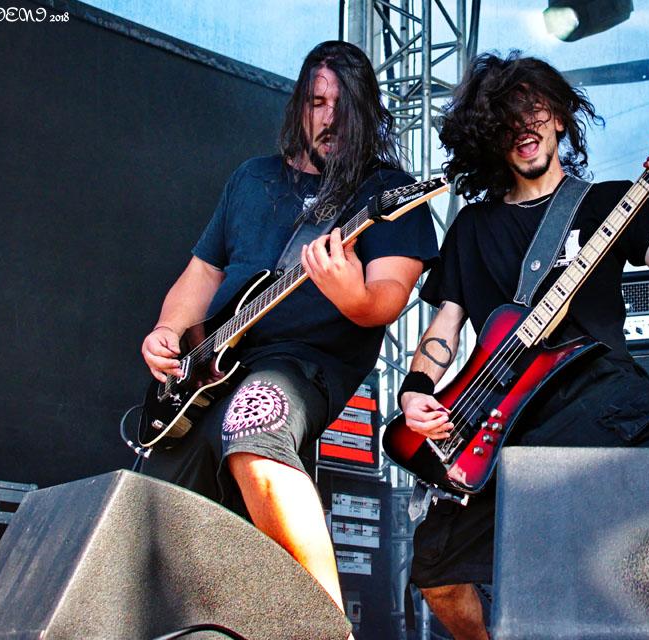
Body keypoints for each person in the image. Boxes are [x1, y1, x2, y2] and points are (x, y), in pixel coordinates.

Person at [396, 52, 649, 640]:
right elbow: (445, 327)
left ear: (561, 117)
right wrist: (416, 391)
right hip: (505, 411)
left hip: (597, 385)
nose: (524, 127)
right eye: (507, 118)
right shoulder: (472, 226)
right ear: (490, 135)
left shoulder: (609, 202)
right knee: (437, 574)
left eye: (535, 109)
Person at [139, 40, 438, 614]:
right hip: (209, 372)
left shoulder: (385, 194)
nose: (329, 119)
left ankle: (328, 624)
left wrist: (349, 291)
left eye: (343, 106)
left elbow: (385, 300)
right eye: (317, 103)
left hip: (303, 364)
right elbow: (203, 272)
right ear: (299, 107)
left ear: (368, 113)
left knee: (256, 423)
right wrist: (168, 331)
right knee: (158, 518)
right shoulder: (251, 179)